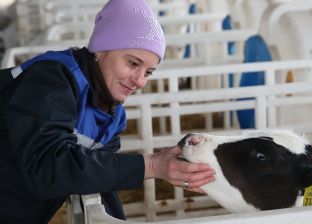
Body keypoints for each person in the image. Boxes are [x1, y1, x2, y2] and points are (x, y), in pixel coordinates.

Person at [0, 0, 215, 223]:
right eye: (133, 63)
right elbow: (46, 167)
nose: (140, 81)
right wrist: (151, 165)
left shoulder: (112, 117)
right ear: (101, 49)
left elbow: (102, 181)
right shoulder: (51, 80)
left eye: (148, 72)